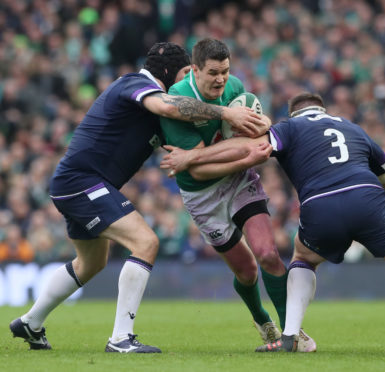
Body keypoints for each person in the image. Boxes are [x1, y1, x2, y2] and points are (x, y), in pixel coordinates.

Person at [161, 92, 385, 354]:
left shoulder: (287, 128)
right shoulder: (352, 128)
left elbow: (251, 150)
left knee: (303, 260)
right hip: (370, 201)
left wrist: (193, 157)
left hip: (322, 208)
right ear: (323, 109)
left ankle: (289, 336)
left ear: (295, 112)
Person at [9, 42, 268, 353]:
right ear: (172, 73)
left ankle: (30, 322)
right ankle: (120, 338)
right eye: (186, 74)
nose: (188, 83)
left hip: (78, 184)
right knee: (145, 242)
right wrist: (226, 112)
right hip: (83, 181)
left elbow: (192, 151)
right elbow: (169, 106)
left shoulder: (160, 112)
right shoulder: (135, 84)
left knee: (90, 264)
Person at [158, 38, 315, 351]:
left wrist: (250, 142)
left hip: (240, 180)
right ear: (194, 70)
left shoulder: (235, 88)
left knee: (268, 255)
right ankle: (260, 317)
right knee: (247, 270)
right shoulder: (176, 101)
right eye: (213, 72)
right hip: (202, 194)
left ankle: (291, 335)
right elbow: (199, 171)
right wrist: (245, 155)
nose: (221, 79)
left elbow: (260, 130)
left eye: (225, 71)